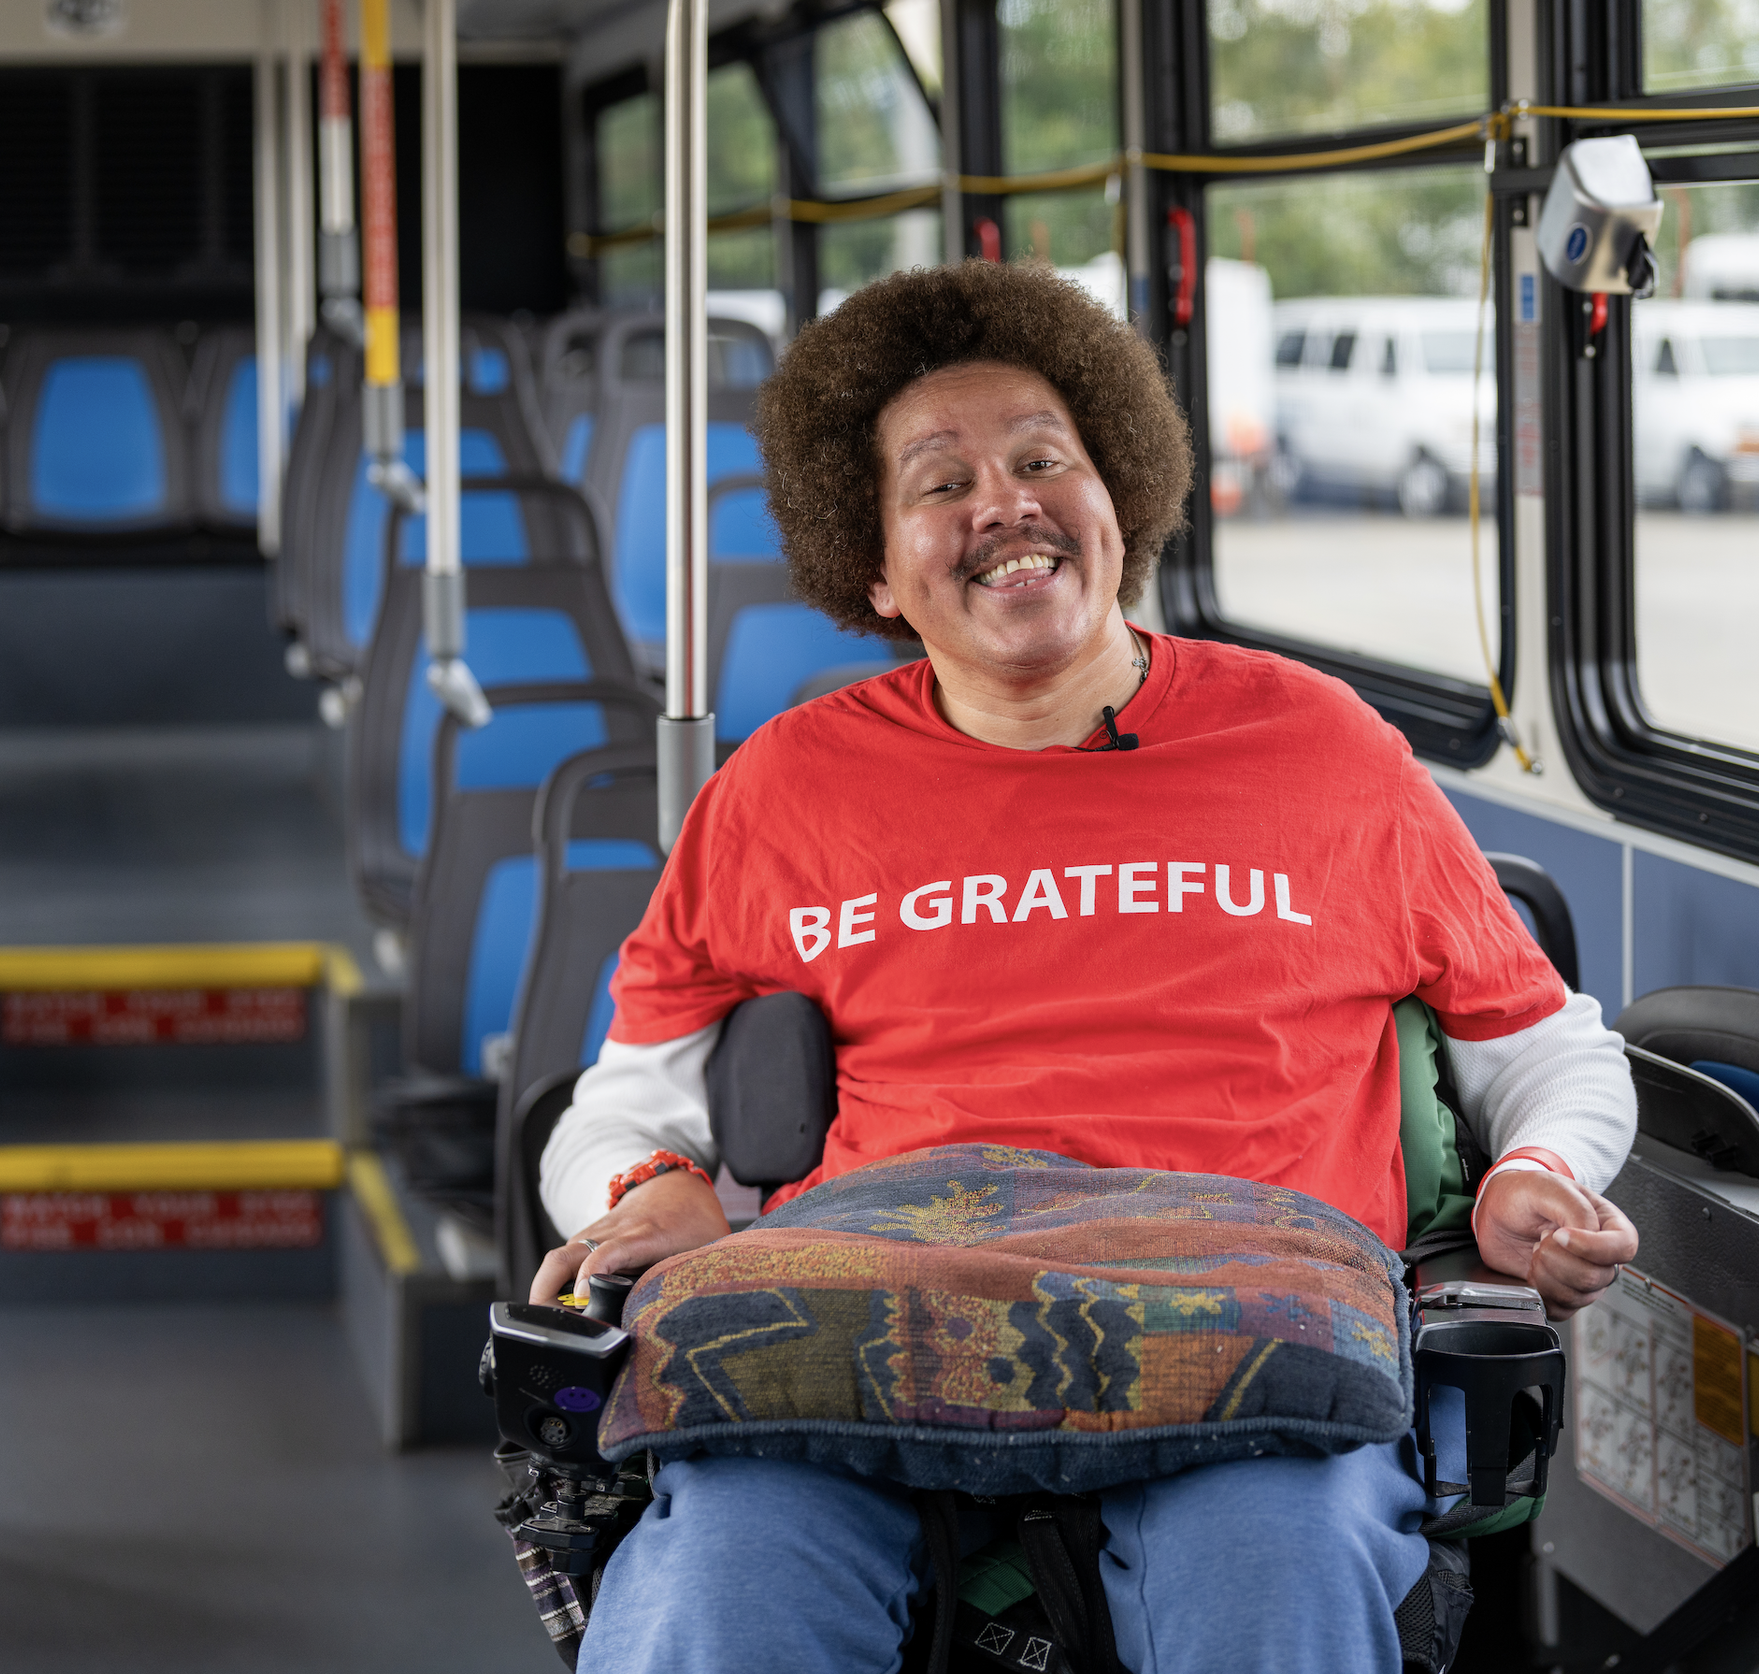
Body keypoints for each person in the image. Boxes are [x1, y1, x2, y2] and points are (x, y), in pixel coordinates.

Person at [534, 260, 1638, 1674]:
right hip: (869, 1339)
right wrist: (646, 1185)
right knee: (717, 1589)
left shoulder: (1322, 749)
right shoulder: (782, 790)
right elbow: (621, 1103)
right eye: (942, 482)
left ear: (1118, 498)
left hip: (1252, 1352)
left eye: (1044, 459)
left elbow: (1547, 1048)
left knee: (1275, 1574)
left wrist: (1542, 1170)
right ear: (873, 567)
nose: (1005, 503)